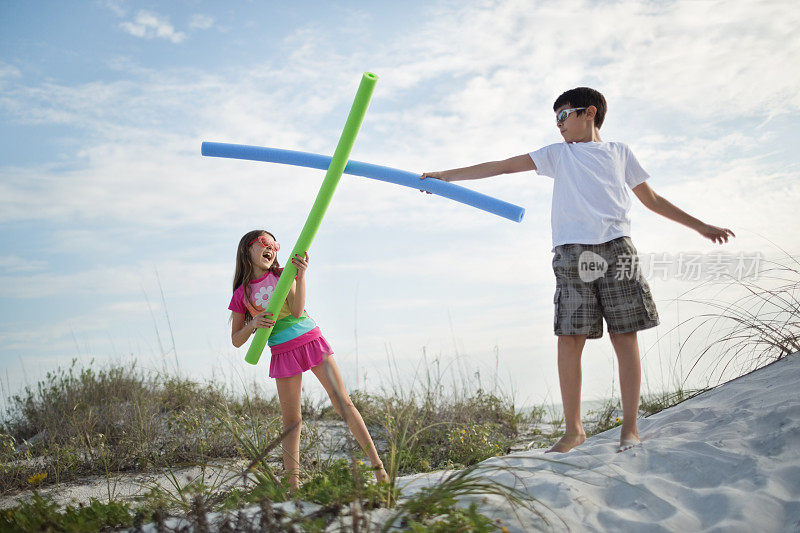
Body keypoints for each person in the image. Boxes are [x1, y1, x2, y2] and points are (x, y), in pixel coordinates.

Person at [421, 87, 734, 453]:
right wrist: (446, 176)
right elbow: (504, 165)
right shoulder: (558, 156)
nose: (558, 125)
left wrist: (701, 226)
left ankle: (630, 428)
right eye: (554, 119)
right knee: (569, 337)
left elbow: (652, 200)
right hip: (571, 253)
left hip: (617, 247)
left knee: (625, 334)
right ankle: (574, 431)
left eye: (562, 116)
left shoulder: (619, 153)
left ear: (589, 113)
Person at [229, 229, 389, 487]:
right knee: (292, 421)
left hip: (310, 340)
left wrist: (301, 277)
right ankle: (293, 486)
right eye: (264, 243)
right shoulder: (241, 294)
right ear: (247, 250)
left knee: (342, 402)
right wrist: (253, 323)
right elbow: (236, 339)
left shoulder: (282, 276)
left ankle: (379, 469)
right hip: (281, 351)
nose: (271, 248)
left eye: (274, 244)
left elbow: (297, 310)